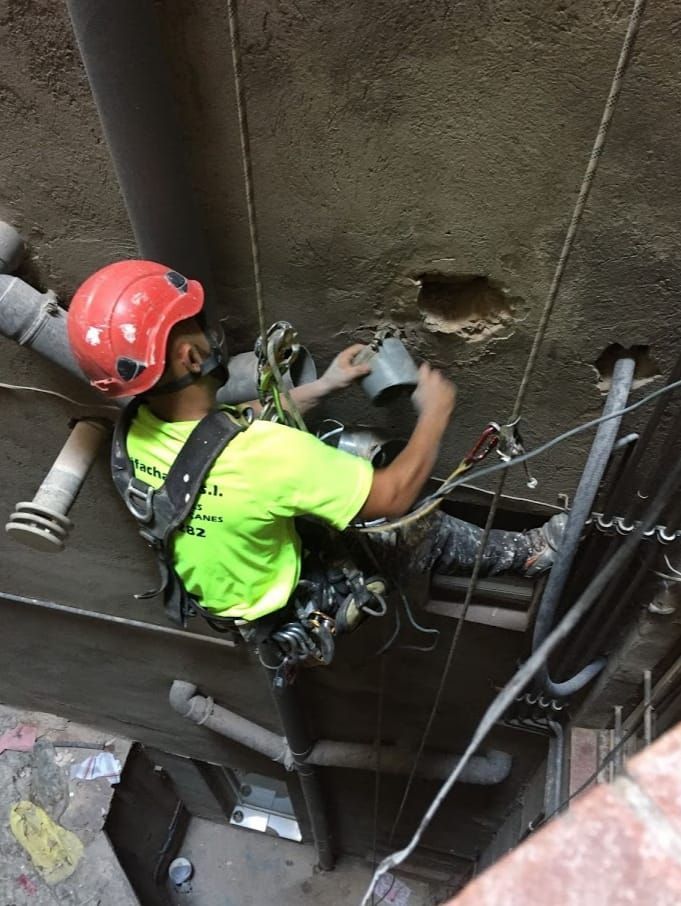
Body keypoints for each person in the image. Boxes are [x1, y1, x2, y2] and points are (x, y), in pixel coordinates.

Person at [66, 260, 566, 645]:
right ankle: (528, 554)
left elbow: (227, 431)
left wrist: (324, 385)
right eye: (197, 323)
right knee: (418, 528)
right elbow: (390, 495)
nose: (209, 327)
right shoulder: (269, 457)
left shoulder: (136, 430)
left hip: (227, 593)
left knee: (319, 480)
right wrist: (435, 414)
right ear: (190, 357)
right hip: (290, 606)